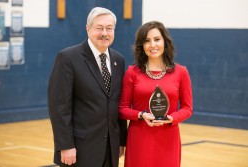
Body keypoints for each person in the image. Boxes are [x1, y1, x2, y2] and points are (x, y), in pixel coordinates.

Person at [48, 7, 127, 167]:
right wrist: (65, 145)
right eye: (99, 28)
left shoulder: (119, 60)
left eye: (109, 28)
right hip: (79, 148)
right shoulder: (68, 58)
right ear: (88, 29)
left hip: (110, 148)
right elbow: (59, 107)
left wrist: (120, 140)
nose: (104, 33)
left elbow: (118, 103)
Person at [119, 21, 193, 167]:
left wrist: (172, 118)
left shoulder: (181, 72)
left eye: (157, 39)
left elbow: (187, 108)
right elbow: (122, 109)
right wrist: (141, 115)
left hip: (168, 138)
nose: (153, 45)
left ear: (165, 41)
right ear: (142, 46)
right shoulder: (132, 72)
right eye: (147, 41)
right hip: (139, 137)